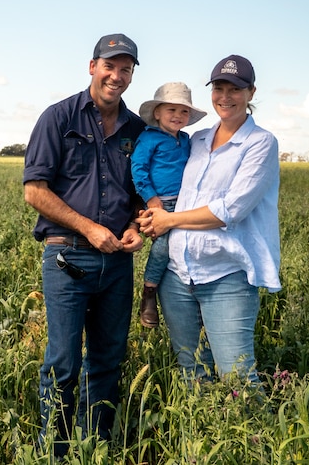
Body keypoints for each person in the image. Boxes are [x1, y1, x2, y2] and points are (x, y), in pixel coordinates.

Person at [23, 33, 146, 457]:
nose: (117, 75)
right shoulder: (58, 118)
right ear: (92, 66)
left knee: (108, 359)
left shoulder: (137, 130)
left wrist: (136, 225)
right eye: (109, 65)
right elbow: (35, 191)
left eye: (126, 68)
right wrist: (89, 228)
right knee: (63, 362)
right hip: (67, 256)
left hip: (117, 263)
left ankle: (95, 447)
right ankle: (53, 452)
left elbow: (141, 193)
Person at [137, 54, 280, 385]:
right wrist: (148, 214)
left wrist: (167, 222)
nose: (225, 96)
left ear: (251, 93)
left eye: (236, 89)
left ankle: (254, 437)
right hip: (176, 276)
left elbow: (231, 210)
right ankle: (203, 436)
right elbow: (170, 187)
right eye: (219, 87)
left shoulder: (260, 143)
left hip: (226, 275)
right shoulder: (196, 140)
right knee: (192, 372)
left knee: (237, 376)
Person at [131, 82, 206, 328]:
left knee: (190, 245)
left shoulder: (186, 139)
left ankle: (194, 296)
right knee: (164, 245)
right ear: (157, 113)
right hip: (162, 203)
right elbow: (138, 170)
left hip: (187, 202)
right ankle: (149, 292)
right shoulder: (149, 138)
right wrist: (152, 199)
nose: (177, 116)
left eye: (183, 111)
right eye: (171, 110)